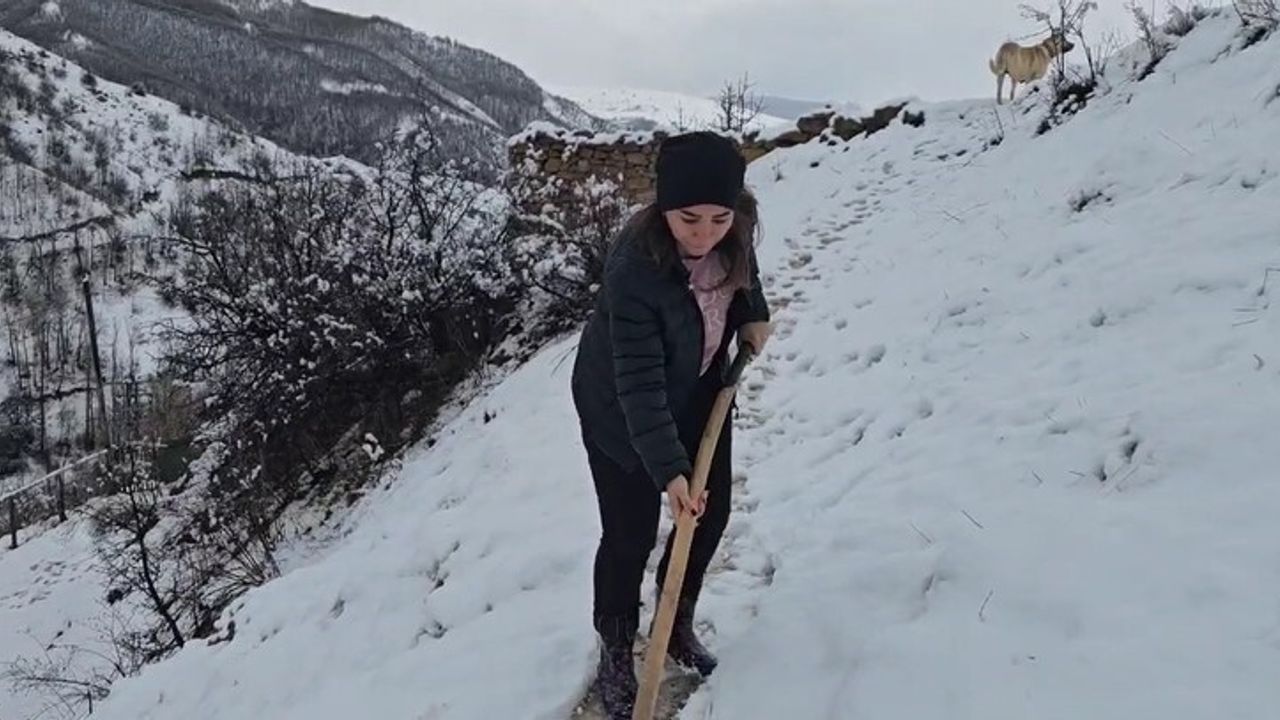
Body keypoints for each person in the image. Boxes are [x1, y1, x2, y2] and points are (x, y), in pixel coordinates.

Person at [570, 130, 772, 717]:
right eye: (689, 219)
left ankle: (674, 623)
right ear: (663, 208)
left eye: (718, 218)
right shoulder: (635, 271)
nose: (704, 233)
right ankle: (615, 650)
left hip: (702, 390)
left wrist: (752, 317)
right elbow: (638, 386)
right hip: (621, 408)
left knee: (708, 519)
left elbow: (744, 283)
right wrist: (669, 471)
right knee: (629, 534)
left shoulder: (733, 234)